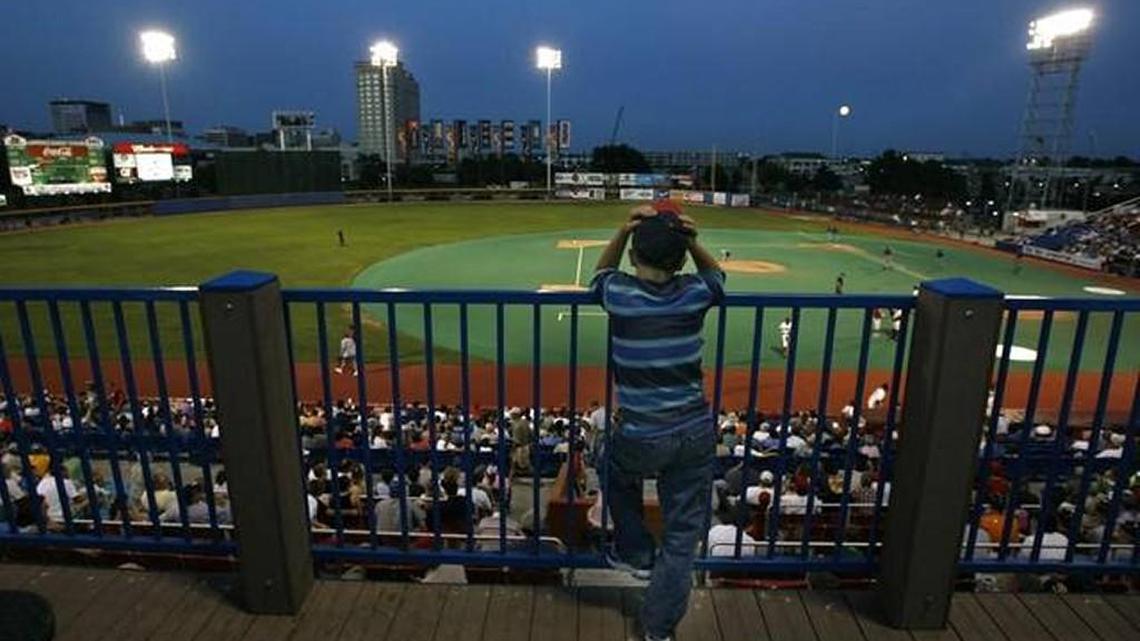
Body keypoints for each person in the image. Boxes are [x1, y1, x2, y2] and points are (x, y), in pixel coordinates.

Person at [591, 200, 723, 641]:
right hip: (693, 429)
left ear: (633, 257)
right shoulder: (694, 293)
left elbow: (599, 275)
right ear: (681, 258)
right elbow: (716, 278)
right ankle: (657, 630)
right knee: (684, 536)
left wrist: (623, 230)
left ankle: (635, 550)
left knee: (606, 459)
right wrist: (693, 240)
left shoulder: (620, 295)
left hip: (640, 433)